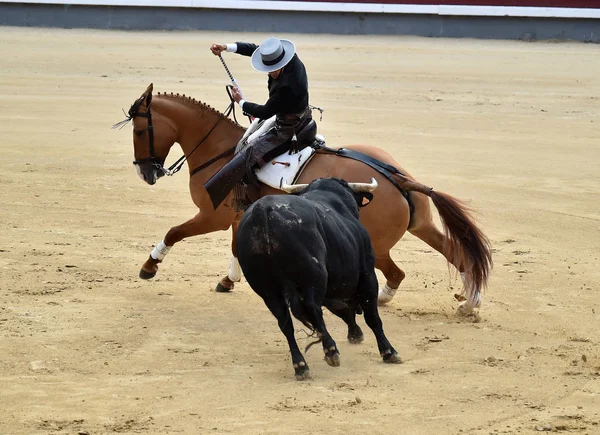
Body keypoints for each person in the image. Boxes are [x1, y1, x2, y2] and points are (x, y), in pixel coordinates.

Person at [204, 37, 314, 210]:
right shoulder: (289, 57)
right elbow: (254, 49)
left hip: (289, 128)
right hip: (291, 114)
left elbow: (265, 111)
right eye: (269, 68)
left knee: (247, 157)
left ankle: (251, 203)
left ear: (282, 62)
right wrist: (226, 47)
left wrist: (241, 102)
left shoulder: (288, 85)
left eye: (274, 69)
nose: (271, 72)